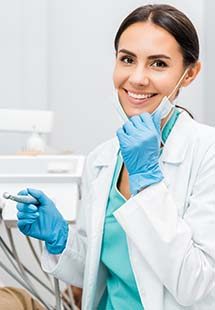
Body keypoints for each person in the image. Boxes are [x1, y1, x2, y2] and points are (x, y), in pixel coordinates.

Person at [15, 4, 215, 310]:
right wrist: (60, 239)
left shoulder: (207, 153)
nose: (136, 78)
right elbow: (97, 271)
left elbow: (198, 287)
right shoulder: (102, 159)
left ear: (189, 74)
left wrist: (147, 184)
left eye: (158, 64)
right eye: (127, 59)